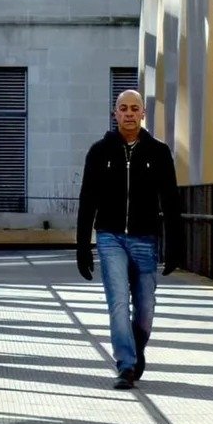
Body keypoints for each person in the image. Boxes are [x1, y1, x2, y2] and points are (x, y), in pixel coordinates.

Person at [75, 89, 181, 389]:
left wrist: (175, 246)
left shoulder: (158, 152)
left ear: (143, 114)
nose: (129, 113)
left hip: (145, 239)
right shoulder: (99, 152)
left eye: (135, 108)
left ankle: (136, 347)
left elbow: (171, 200)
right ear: (115, 113)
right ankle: (126, 365)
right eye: (123, 109)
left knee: (145, 308)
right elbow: (87, 200)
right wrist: (83, 247)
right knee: (119, 302)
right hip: (110, 238)